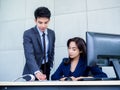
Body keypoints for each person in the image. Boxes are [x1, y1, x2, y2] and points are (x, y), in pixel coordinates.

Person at [23, 7, 55, 81]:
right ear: (35, 20)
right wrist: (37, 71)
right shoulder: (28, 34)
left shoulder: (52, 33)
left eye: (46, 22)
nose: (43, 26)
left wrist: (50, 66)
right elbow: (29, 55)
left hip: (46, 68)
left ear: (49, 20)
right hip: (33, 69)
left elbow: (52, 51)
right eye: (40, 22)